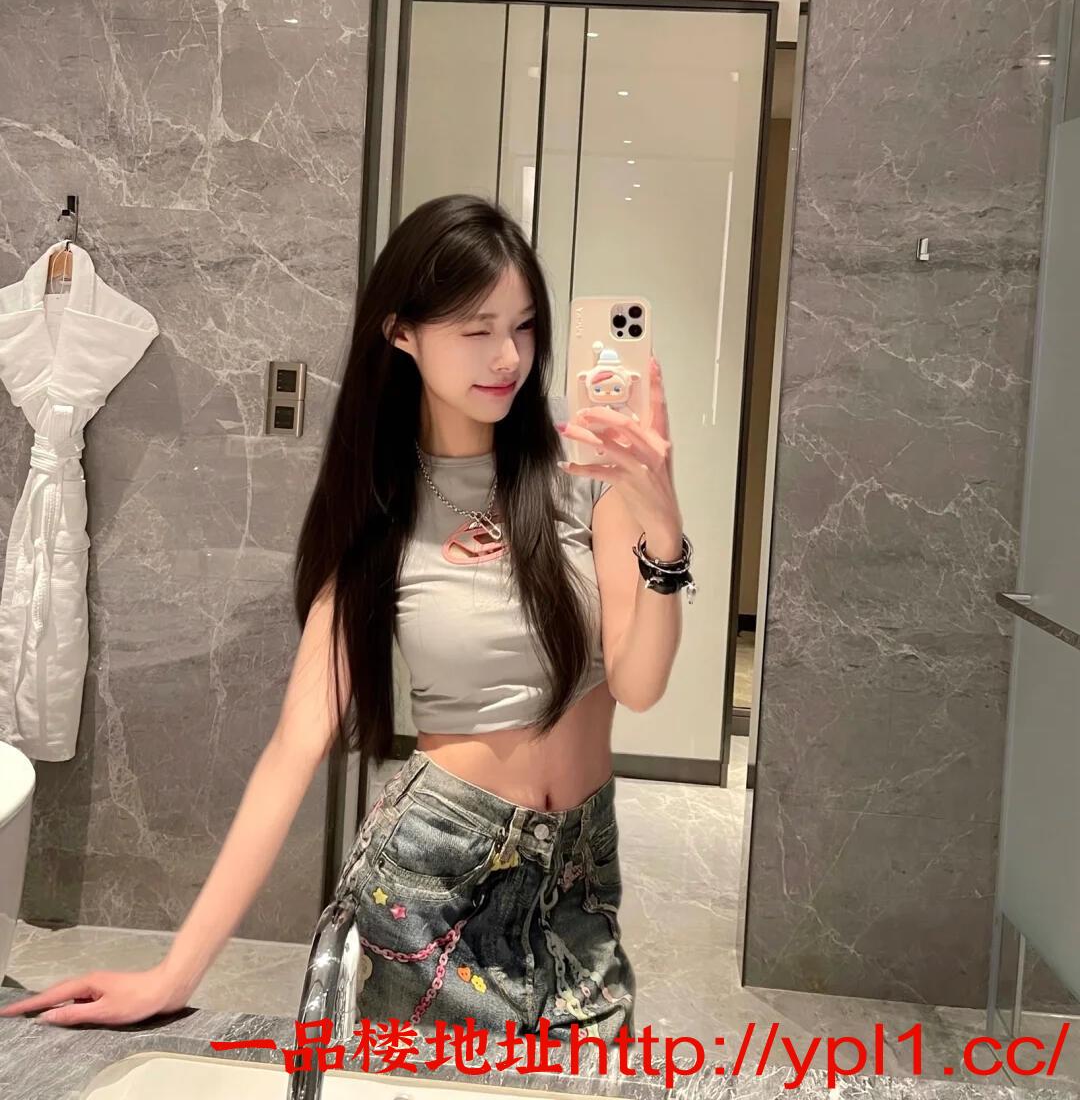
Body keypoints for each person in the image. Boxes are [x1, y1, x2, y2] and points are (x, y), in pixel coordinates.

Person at [0, 193, 692, 1050]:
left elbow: (639, 683)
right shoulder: (380, 516)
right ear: (402, 333)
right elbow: (295, 748)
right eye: (476, 329)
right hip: (438, 880)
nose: (508, 356)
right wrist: (174, 974)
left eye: (523, 326)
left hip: (578, 886)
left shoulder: (585, 472)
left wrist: (663, 531)